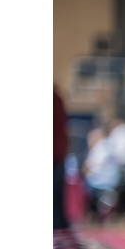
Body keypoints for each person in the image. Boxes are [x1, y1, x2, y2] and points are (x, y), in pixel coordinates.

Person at [53, 87, 70, 229]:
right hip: (58, 155)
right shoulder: (56, 97)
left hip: (55, 155)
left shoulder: (54, 98)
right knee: (57, 200)